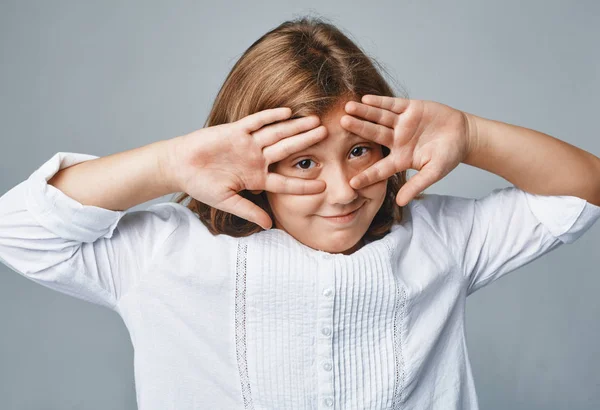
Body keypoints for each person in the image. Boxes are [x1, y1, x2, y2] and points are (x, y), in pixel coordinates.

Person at [1, 15, 599, 410]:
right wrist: (166, 164)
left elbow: (583, 191)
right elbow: (18, 232)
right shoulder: (165, 255)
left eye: (360, 151)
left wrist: (472, 136)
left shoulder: (441, 239)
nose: (343, 192)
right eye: (304, 164)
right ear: (245, 163)